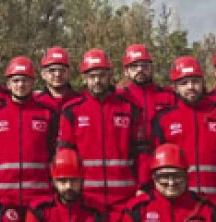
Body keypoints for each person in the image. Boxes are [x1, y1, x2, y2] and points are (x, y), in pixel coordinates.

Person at [152, 57, 216, 203]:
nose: (190, 87)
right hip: (181, 201)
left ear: (203, 82)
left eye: (195, 81)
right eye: (184, 83)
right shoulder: (164, 119)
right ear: (175, 87)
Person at [58, 49, 149, 212]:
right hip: (86, 198)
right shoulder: (72, 110)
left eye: (101, 75)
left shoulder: (130, 107)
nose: (97, 80)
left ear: (109, 76)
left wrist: (143, 186)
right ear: (84, 78)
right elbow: (66, 156)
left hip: (125, 197)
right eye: (92, 76)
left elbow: (142, 151)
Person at [0, 56, 57, 209]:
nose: (20, 85)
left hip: (39, 195)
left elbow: (53, 151)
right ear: (8, 84)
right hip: (4, 195)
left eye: (25, 80)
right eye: (16, 80)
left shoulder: (47, 114)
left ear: (33, 83)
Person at [118, 43, 176, 142]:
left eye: (144, 65)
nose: (140, 70)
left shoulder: (169, 96)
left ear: (151, 68)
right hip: (131, 154)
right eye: (134, 66)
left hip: (162, 153)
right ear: (125, 71)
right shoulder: (119, 97)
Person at [33, 46, 79, 112]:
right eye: (52, 70)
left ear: (69, 72)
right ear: (43, 74)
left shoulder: (79, 101)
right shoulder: (35, 103)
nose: (57, 74)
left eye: (62, 70)